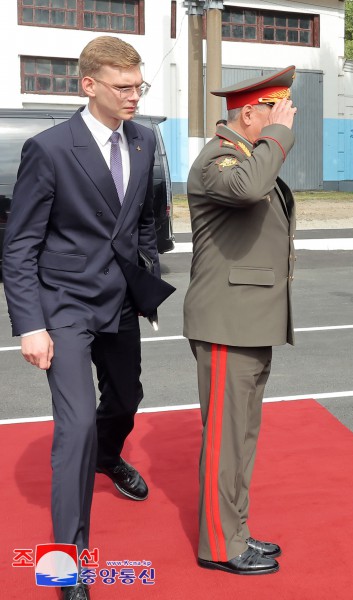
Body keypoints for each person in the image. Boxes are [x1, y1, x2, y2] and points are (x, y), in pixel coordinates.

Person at [2, 36, 167, 600]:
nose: (134, 97)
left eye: (138, 86)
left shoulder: (144, 143)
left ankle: (108, 455)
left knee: (126, 399)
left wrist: (146, 279)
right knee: (71, 431)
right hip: (65, 307)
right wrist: (30, 324)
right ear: (88, 85)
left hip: (120, 302)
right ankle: (65, 568)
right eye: (124, 87)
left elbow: (142, 221)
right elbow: (19, 245)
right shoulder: (49, 150)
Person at [182, 66, 298, 576]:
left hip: (249, 320)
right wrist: (279, 136)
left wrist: (270, 139)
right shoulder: (220, 159)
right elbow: (252, 190)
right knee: (224, 442)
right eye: (277, 108)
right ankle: (219, 546)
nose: (287, 117)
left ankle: (237, 530)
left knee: (241, 439)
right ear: (250, 113)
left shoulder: (248, 156)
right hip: (227, 322)